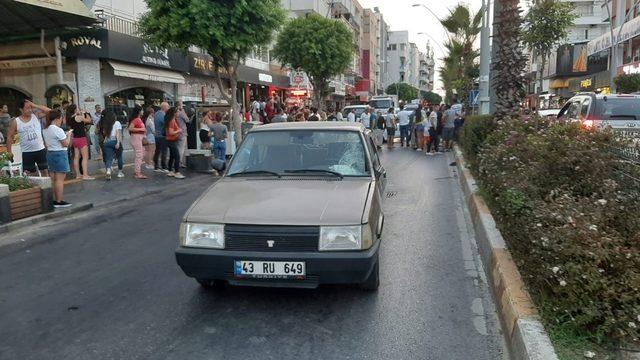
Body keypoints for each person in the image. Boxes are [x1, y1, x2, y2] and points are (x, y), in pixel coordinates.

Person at [6, 99, 50, 176]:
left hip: (40, 149)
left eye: (30, 108)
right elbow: (9, 136)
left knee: (45, 171)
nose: (30, 110)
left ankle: (47, 187)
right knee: (29, 174)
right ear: (21, 109)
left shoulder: (35, 116)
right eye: (27, 108)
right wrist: (9, 151)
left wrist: (34, 105)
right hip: (27, 152)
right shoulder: (16, 122)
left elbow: (49, 111)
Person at [42, 109, 72, 208]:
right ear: (58, 118)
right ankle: (59, 201)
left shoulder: (45, 129)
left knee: (54, 179)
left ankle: (55, 199)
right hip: (60, 154)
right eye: (61, 118)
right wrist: (69, 135)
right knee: (60, 179)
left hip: (50, 153)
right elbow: (66, 144)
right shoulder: (58, 130)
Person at [66, 105, 94, 180]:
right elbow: (89, 120)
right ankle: (85, 175)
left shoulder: (71, 118)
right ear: (75, 110)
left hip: (75, 139)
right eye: (78, 108)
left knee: (76, 157)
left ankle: (78, 175)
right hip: (81, 138)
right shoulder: (79, 117)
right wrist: (86, 113)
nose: (79, 109)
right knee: (85, 157)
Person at [99, 110, 124, 180]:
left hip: (107, 142)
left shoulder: (106, 124)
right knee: (119, 157)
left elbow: (105, 134)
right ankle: (120, 172)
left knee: (108, 158)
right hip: (115, 141)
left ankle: (108, 171)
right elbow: (118, 133)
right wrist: (118, 142)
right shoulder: (117, 123)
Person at [164, 107, 185, 179]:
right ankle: (177, 172)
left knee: (172, 156)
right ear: (174, 113)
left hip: (170, 140)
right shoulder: (172, 120)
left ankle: (170, 171)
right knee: (177, 156)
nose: (179, 113)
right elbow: (171, 132)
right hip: (171, 140)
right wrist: (179, 130)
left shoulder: (170, 119)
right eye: (178, 112)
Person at [128, 105, 147, 179]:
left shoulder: (138, 119)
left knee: (141, 154)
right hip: (136, 138)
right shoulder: (136, 119)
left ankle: (137, 171)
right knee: (139, 155)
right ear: (139, 111)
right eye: (142, 110)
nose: (143, 111)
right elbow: (130, 128)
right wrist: (142, 129)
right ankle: (137, 173)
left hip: (138, 138)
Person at [153, 102, 169, 172]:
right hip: (162, 135)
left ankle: (156, 166)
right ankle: (164, 167)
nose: (168, 108)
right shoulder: (162, 115)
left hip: (157, 135)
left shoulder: (156, 114)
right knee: (164, 151)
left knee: (157, 151)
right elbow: (166, 123)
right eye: (167, 107)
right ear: (164, 107)